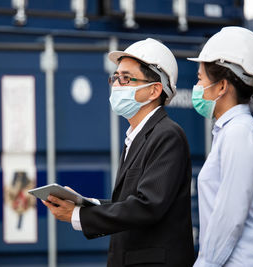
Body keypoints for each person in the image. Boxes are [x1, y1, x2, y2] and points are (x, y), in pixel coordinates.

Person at [42, 38, 195, 266]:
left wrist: (79, 216)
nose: (116, 84)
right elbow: (128, 202)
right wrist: (83, 204)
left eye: (126, 78)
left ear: (154, 90)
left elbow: (147, 206)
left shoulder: (167, 135)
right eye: (115, 77)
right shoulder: (138, 136)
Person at [187, 26, 253, 266]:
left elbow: (229, 217)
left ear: (221, 86)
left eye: (200, 79)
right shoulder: (232, 131)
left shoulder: (239, 133)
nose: (197, 88)